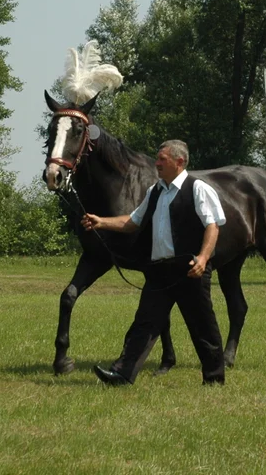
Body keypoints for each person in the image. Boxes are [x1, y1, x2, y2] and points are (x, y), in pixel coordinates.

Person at [82, 139, 227, 385]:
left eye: (162, 159)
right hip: (159, 271)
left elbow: (212, 225)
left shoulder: (198, 188)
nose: (156, 163)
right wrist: (101, 222)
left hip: (189, 269)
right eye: (157, 159)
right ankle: (122, 374)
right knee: (144, 324)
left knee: (202, 325)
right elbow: (133, 222)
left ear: (179, 162)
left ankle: (214, 379)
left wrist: (203, 258)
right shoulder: (155, 191)